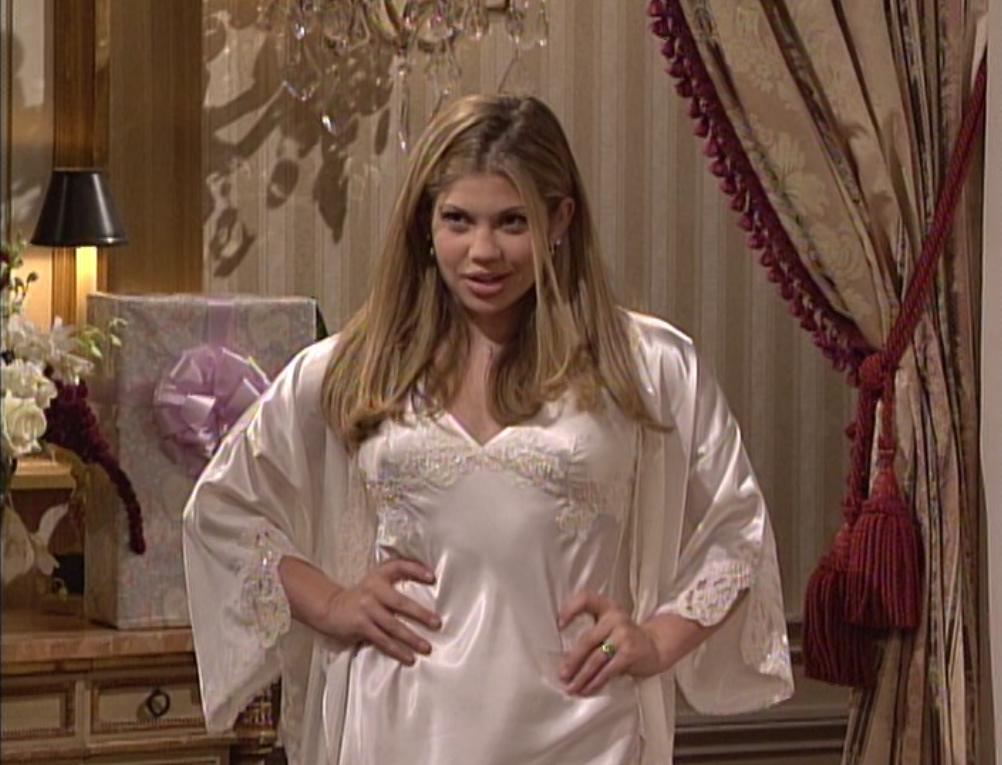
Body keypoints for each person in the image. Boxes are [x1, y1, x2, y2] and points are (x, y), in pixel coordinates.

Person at [182, 94, 793, 765]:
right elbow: (223, 510)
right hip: (399, 728)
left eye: (512, 221)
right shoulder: (352, 368)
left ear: (560, 219)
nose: (483, 251)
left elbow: (736, 529)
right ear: (425, 222)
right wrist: (330, 603)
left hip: (583, 729)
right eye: (458, 219)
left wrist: (657, 640)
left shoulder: (647, 367)